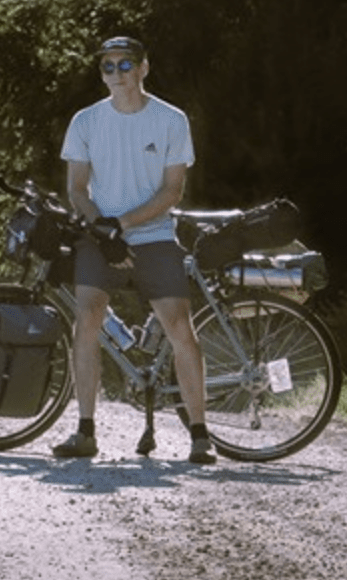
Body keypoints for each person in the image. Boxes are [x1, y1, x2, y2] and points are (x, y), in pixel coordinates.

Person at [52, 35, 215, 464]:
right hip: (99, 237)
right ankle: (85, 430)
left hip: (153, 235)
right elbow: (77, 188)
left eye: (126, 65)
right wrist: (103, 233)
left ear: (144, 68)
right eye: (108, 66)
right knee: (86, 318)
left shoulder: (170, 119)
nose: (117, 74)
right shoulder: (86, 121)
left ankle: (200, 434)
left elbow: (172, 191)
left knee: (180, 327)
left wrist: (120, 226)